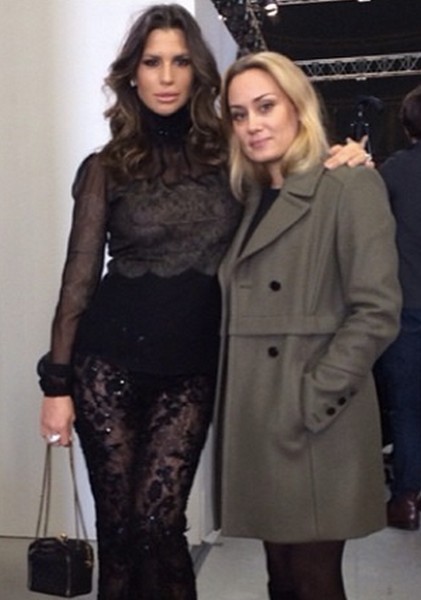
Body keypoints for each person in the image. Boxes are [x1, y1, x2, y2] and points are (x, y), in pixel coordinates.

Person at [37, 4, 372, 599]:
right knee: (119, 530)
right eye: (152, 62)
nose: (166, 77)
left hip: (191, 375)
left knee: (159, 524)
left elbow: (292, 184)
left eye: (180, 61)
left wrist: (342, 159)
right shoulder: (106, 168)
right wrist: (57, 386)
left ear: (197, 72)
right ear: (133, 74)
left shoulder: (232, 159)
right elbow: (78, 280)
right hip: (105, 368)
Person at [216, 51, 402, 600]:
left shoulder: (347, 185)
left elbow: (377, 310)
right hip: (259, 416)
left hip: (314, 419)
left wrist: (312, 396)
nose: (253, 125)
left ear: (298, 106)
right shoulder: (248, 196)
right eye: (239, 114)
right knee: (280, 578)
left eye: (266, 106)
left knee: (313, 579)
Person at [374, 84, 421, 531]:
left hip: (406, 307)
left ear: (407, 127)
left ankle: (407, 500)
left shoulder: (392, 172)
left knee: (406, 409)